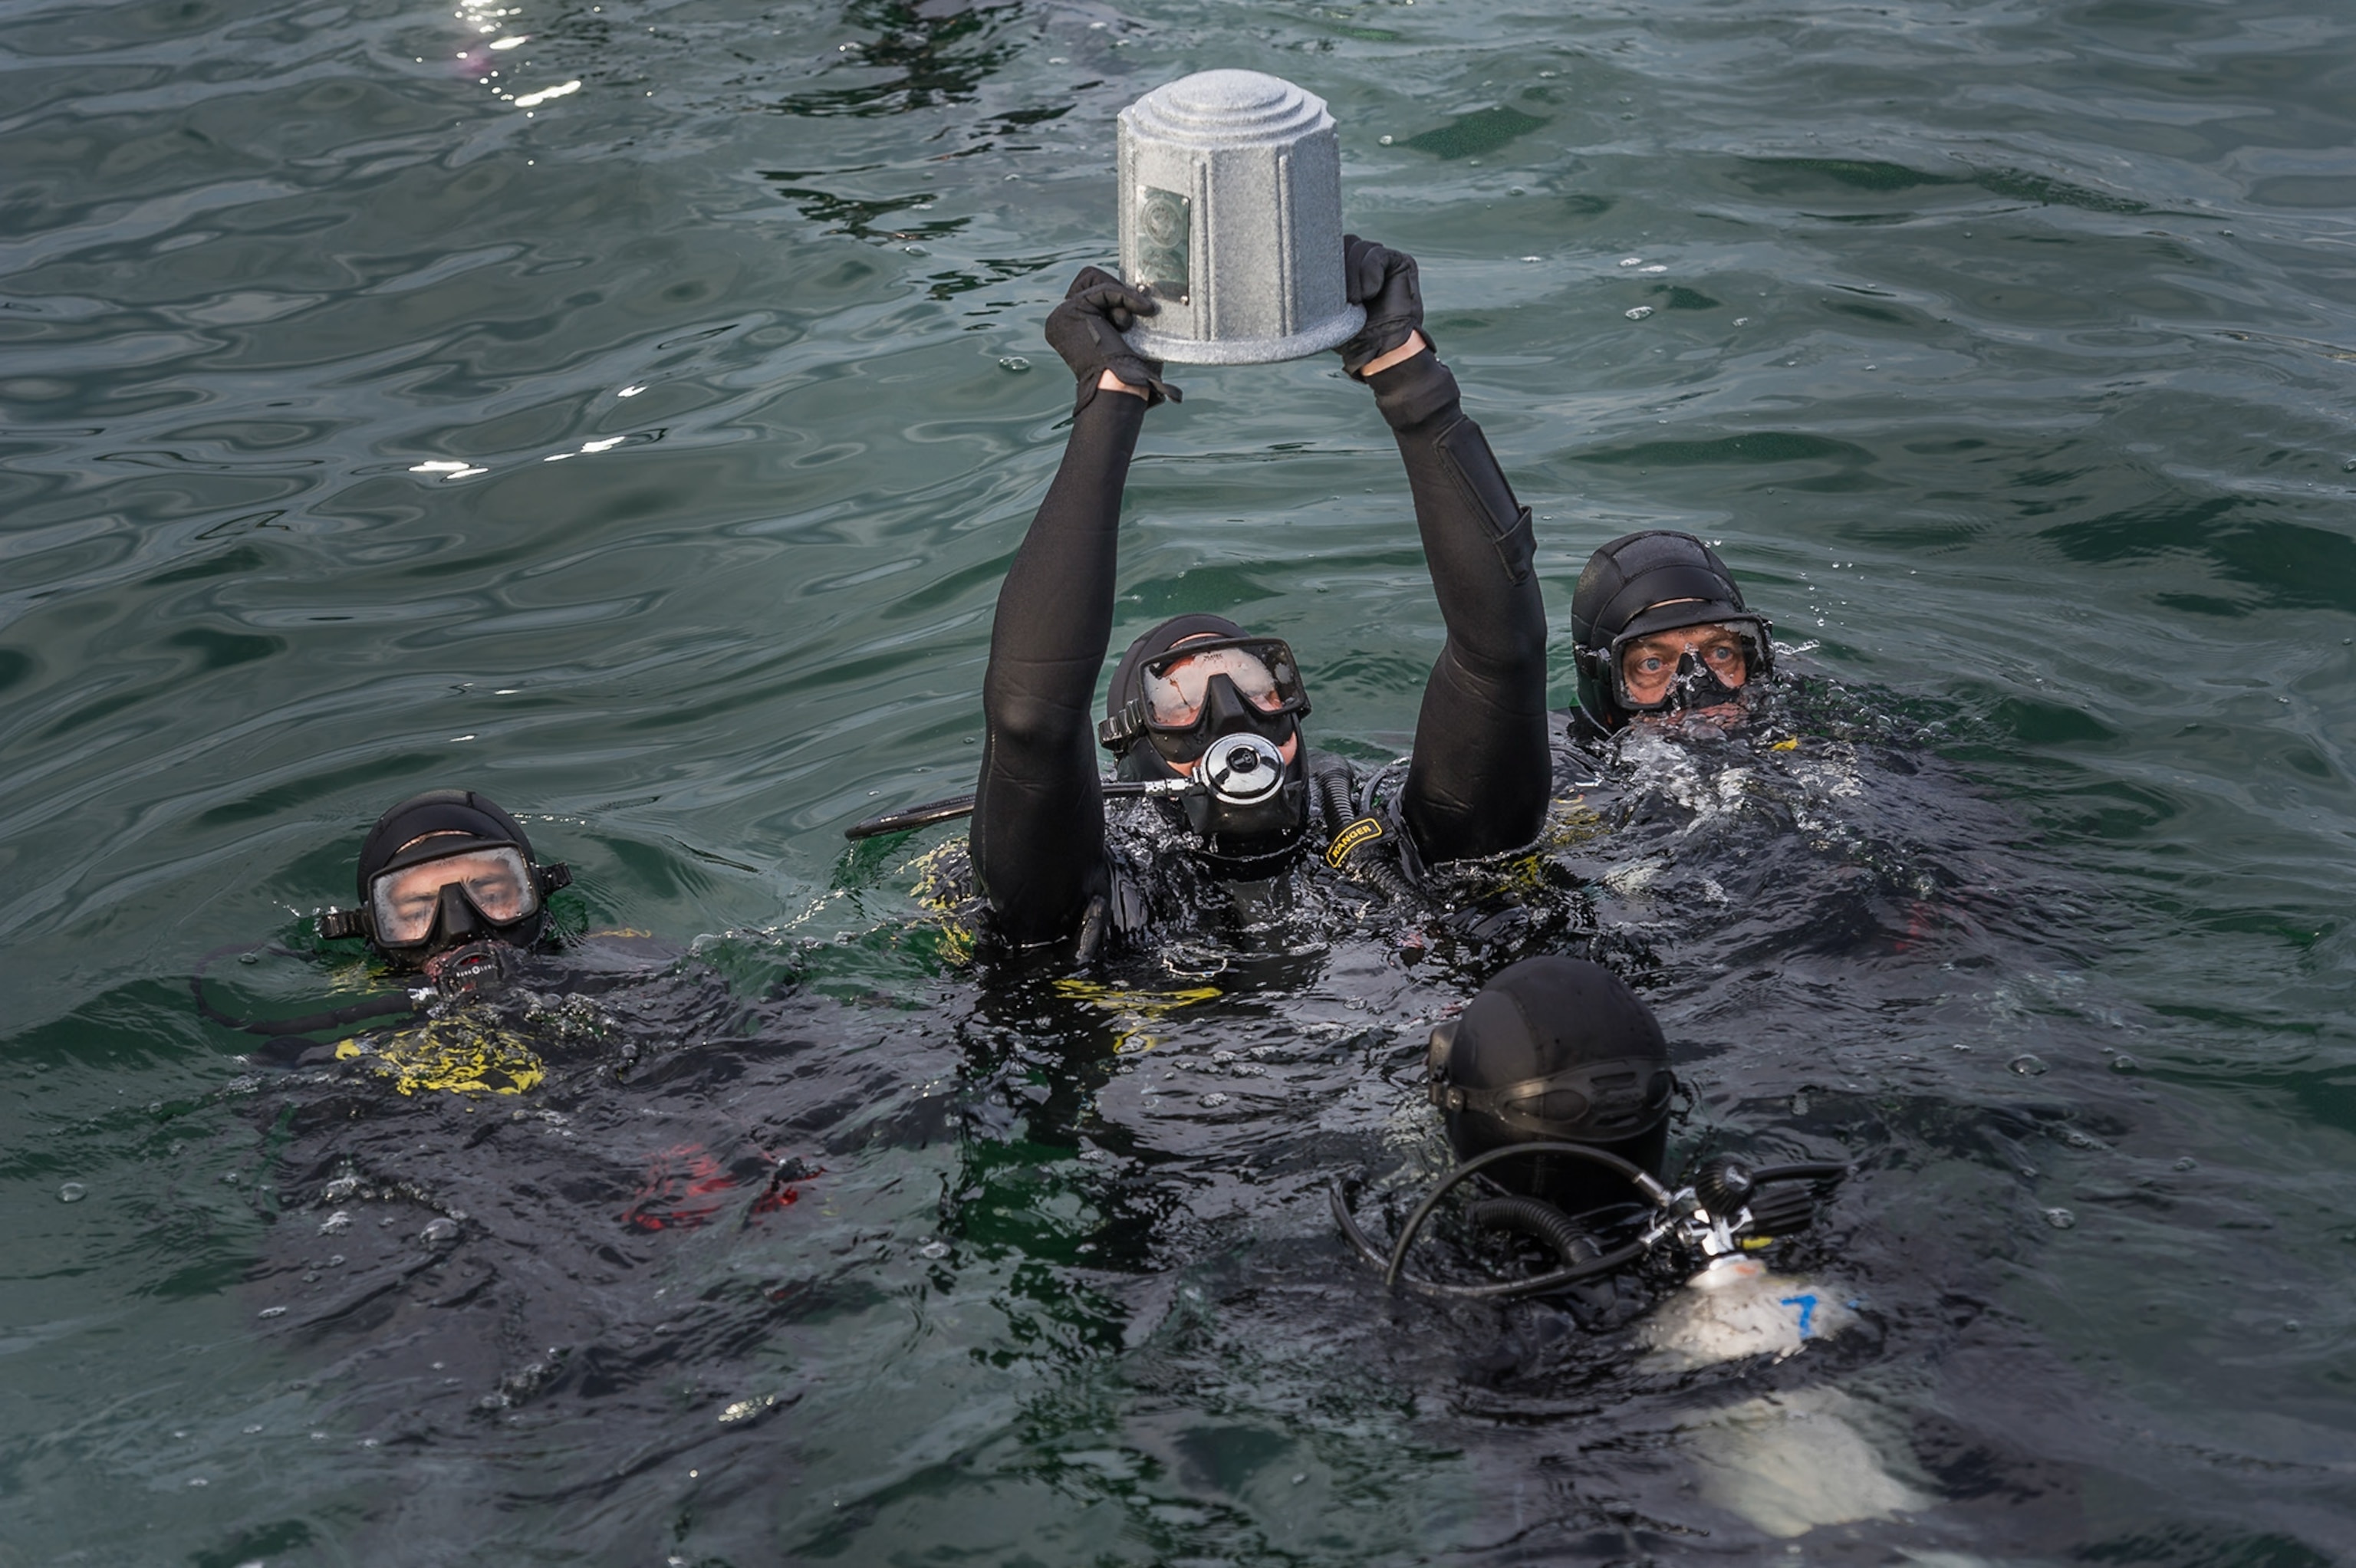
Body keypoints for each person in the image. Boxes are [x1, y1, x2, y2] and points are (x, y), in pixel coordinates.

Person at [971, 239, 1550, 954]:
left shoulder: (1391, 838)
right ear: (1129, 746)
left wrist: (1407, 372)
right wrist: (1110, 400)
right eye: (1178, 701)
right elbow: (1030, 719)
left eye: (1257, 682)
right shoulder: (1102, 890)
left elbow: (1504, 653)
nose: (1230, 715)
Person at [317, 787, 575, 990]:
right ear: (372, 928)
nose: (460, 929)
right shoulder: (349, 1027)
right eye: (418, 912)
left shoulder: (611, 960)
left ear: (537, 889)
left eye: (491, 895)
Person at [1568, 530, 1776, 738]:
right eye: (1652, 664)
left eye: (1722, 653)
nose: (1697, 695)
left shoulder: (1794, 725)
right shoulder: (1555, 764)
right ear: (1604, 682)